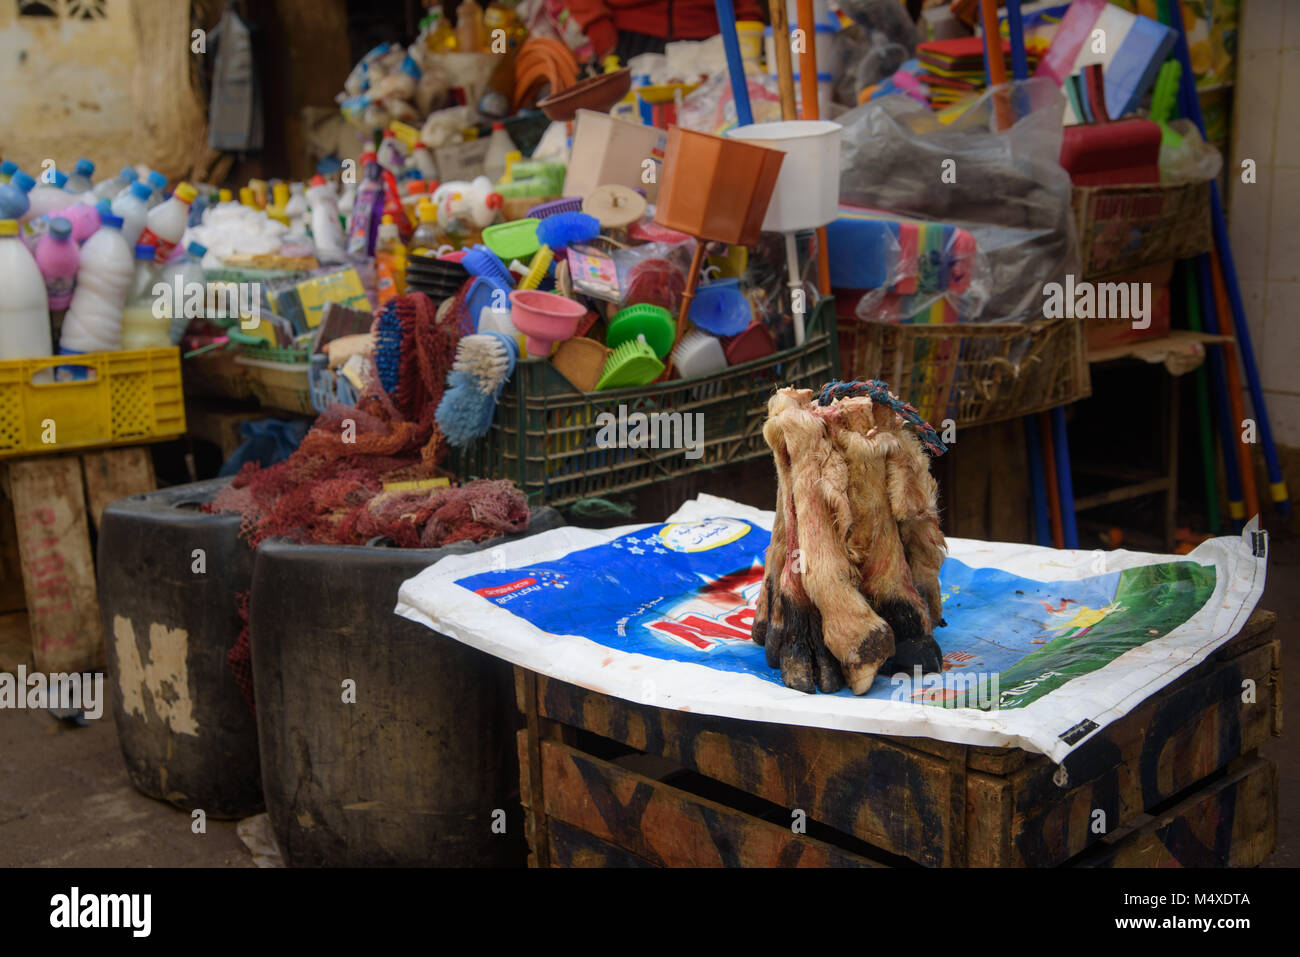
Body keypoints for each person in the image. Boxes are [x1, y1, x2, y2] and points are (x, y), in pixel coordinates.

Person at [565, 0, 766, 64]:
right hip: (629, 38)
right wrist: (601, 32)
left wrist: (748, 22)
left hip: (712, 40)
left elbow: (746, 6)